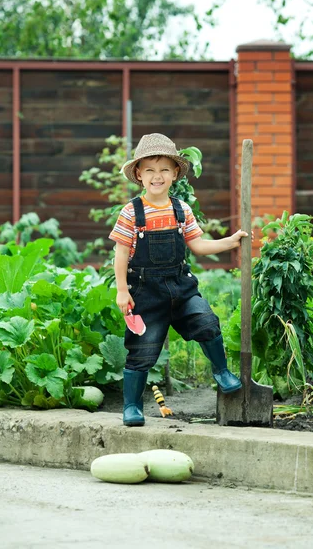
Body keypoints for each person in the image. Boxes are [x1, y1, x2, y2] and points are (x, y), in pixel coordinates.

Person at [109, 133, 252, 426]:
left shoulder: (181, 209)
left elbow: (198, 245)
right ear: (139, 174)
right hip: (145, 291)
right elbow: (121, 255)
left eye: (163, 170)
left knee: (206, 322)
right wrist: (122, 291)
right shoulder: (131, 212)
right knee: (142, 349)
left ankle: (221, 372)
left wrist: (232, 241)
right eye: (149, 170)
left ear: (175, 173)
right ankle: (132, 406)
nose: (157, 176)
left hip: (180, 286)